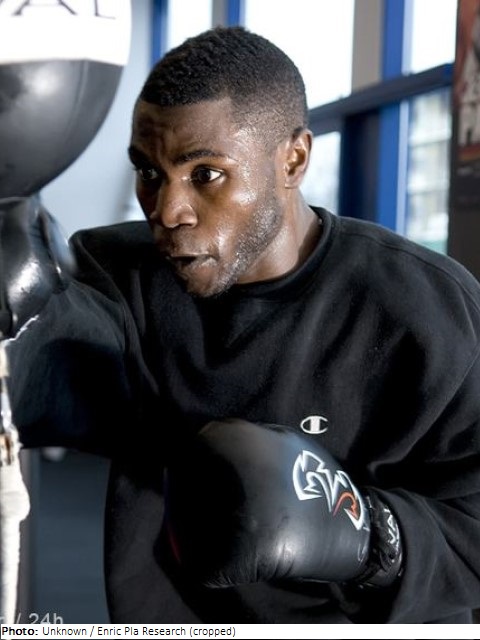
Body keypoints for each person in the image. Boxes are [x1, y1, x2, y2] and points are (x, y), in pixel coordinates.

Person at [2, 26, 480, 624]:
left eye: (205, 174)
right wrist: (20, 310)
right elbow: (54, 379)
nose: (167, 211)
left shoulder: (425, 309)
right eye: (148, 172)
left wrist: (370, 537)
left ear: (293, 160)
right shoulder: (118, 278)